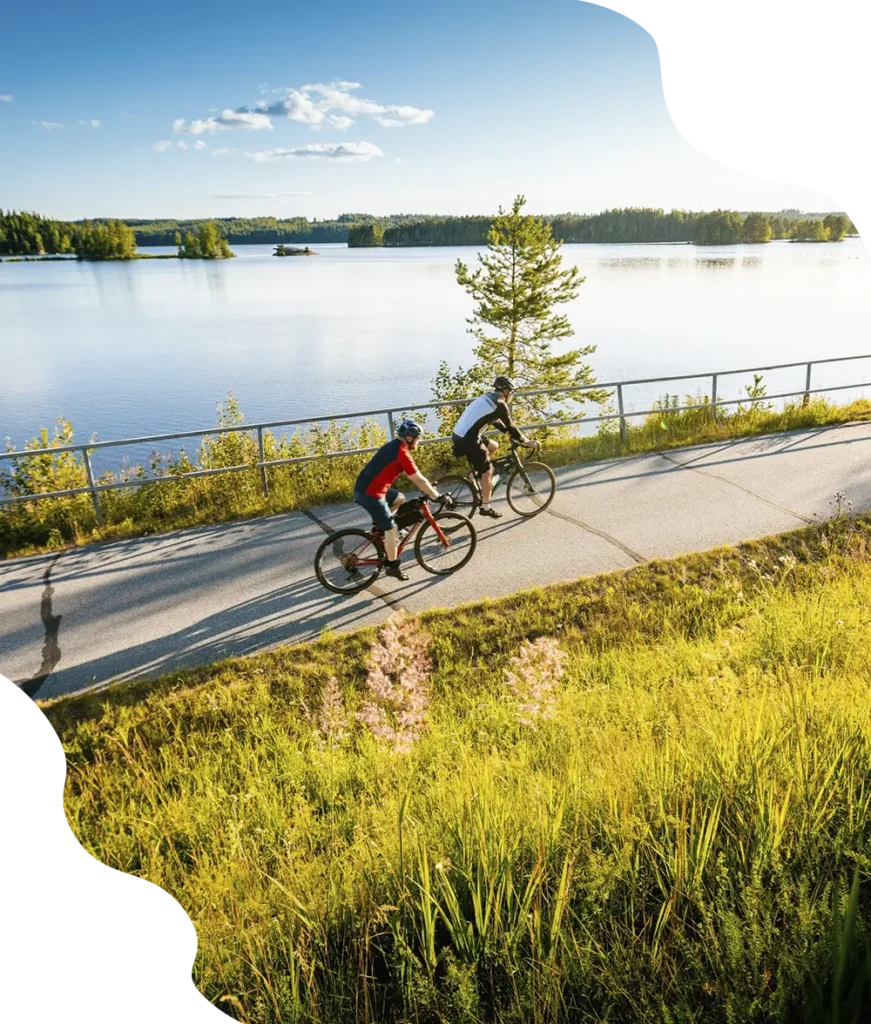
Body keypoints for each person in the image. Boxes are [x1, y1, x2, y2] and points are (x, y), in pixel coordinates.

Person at [353, 419, 450, 581]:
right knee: (391, 529)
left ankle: (383, 528)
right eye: (418, 438)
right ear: (410, 438)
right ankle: (392, 566)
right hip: (371, 494)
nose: (419, 441)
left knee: (399, 498)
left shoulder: (394, 446)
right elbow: (418, 480)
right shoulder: (402, 454)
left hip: (367, 487)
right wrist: (437, 496)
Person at [451, 376, 532, 518]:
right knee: (488, 470)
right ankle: (486, 506)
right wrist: (526, 441)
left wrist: (507, 432)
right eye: (511, 391)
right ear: (505, 391)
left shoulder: (488, 397)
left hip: (460, 435)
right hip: (469, 439)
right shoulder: (500, 404)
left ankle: (476, 476)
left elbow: (493, 420)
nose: (512, 394)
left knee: (493, 446)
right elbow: (511, 426)